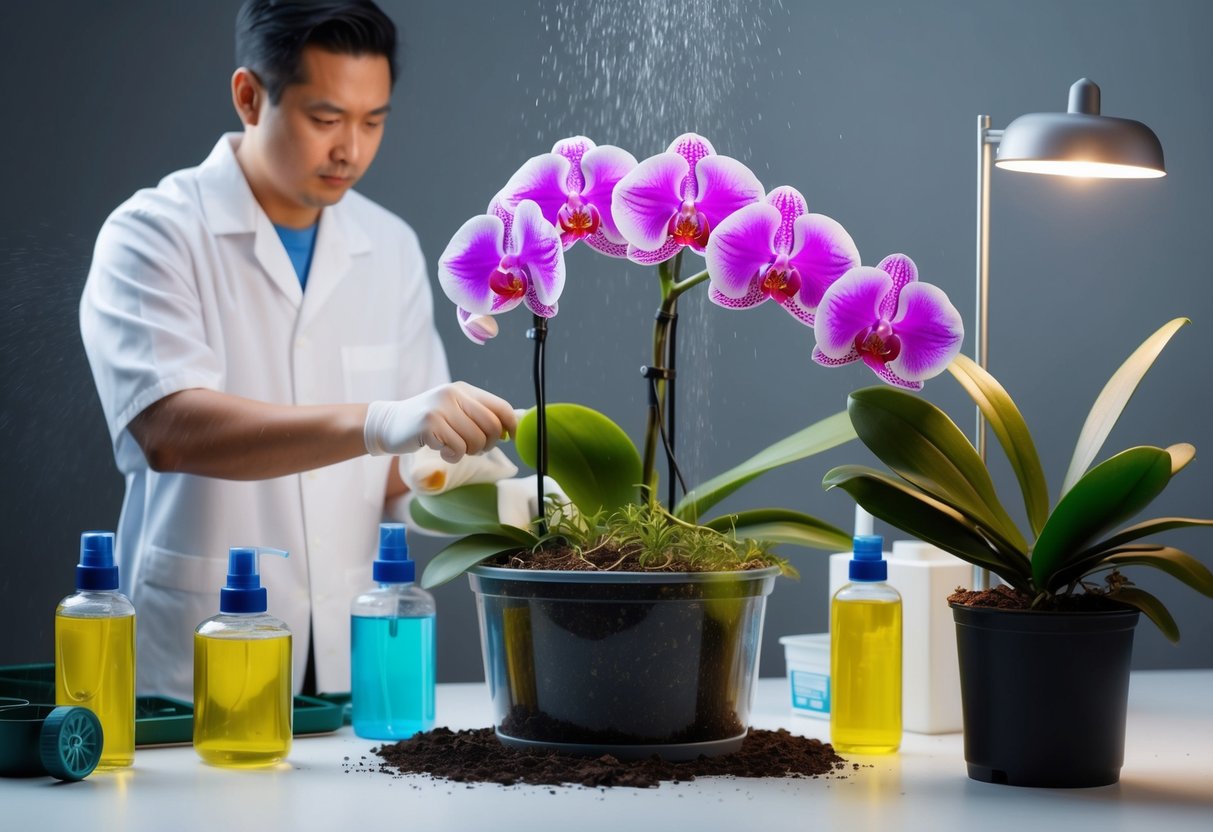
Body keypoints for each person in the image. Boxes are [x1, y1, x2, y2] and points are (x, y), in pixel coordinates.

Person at [79, 0, 517, 701]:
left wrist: (512, 498)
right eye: (325, 119)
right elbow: (168, 428)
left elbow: (408, 468)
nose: (351, 149)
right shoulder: (152, 234)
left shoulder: (391, 248)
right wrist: (379, 422)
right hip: (200, 648)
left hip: (348, 648)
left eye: (373, 121)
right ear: (249, 97)